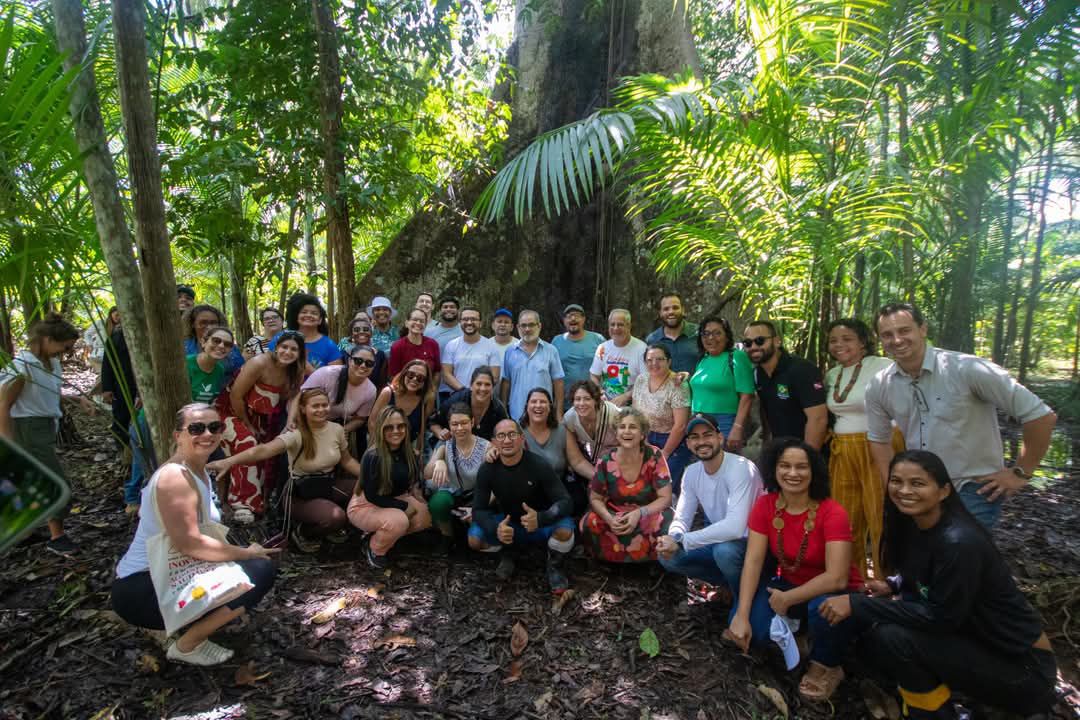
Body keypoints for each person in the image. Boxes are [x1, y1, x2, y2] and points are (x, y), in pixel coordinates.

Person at [821, 451, 1057, 719]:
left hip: (1025, 670)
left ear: (944, 491)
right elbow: (925, 574)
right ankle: (936, 701)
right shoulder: (915, 525)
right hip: (982, 647)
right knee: (874, 643)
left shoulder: (959, 542)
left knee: (893, 638)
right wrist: (893, 585)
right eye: (896, 481)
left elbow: (942, 617)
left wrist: (857, 604)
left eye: (917, 483)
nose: (904, 491)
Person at [112, 403, 278, 666]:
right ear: (178, 435)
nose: (207, 434)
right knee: (258, 570)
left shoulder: (197, 469)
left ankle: (190, 622)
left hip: (173, 572)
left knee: (250, 566)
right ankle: (187, 645)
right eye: (196, 428)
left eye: (214, 427)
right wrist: (246, 553)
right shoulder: (175, 477)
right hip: (142, 587)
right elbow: (190, 544)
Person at [866, 302, 1056, 530]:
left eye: (904, 330)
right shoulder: (880, 384)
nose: (897, 340)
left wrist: (1020, 473)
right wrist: (894, 485)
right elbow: (878, 438)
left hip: (973, 488)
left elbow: (1041, 416)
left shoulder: (968, 369)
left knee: (964, 551)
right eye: (887, 334)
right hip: (919, 490)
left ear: (923, 329)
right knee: (926, 551)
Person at [726, 438, 862, 703]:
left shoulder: (832, 512)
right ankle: (804, 635)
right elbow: (753, 561)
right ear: (774, 469)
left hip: (834, 593)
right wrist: (741, 615)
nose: (792, 473)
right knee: (755, 631)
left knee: (822, 609)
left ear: (814, 471)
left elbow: (837, 578)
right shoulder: (766, 505)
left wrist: (788, 599)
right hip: (789, 585)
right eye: (785, 465)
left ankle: (827, 665)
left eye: (801, 467)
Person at [209, 388, 362, 552]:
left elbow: (347, 460)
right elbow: (263, 450)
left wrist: (372, 477)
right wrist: (229, 461)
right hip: (300, 493)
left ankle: (333, 526)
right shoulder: (295, 434)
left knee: (366, 489)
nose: (321, 410)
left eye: (325, 405)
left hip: (327, 484)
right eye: (315, 406)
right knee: (336, 517)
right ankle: (304, 533)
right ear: (303, 409)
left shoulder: (336, 429)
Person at [0, 313, 89, 556]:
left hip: (45, 426)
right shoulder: (23, 367)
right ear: (48, 340)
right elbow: (4, 405)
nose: (66, 352)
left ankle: (24, 531)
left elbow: (48, 393)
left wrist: (77, 399)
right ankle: (57, 537)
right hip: (27, 428)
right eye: (64, 347)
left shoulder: (51, 363)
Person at [824, 318, 897, 576]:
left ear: (863, 342)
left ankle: (885, 578)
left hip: (877, 447)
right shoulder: (832, 375)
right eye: (833, 340)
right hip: (842, 451)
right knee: (845, 516)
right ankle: (851, 578)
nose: (839, 345)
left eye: (847, 339)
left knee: (879, 514)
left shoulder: (883, 366)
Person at [468, 419, 575, 593]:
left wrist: (541, 518)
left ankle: (555, 564)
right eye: (501, 436)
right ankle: (508, 553)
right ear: (494, 442)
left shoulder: (539, 464)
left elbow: (566, 502)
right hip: (509, 526)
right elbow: (478, 510)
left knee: (565, 530)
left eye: (512, 434)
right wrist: (496, 528)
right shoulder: (487, 469)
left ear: (522, 438)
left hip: (540, 524)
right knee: (474, 540)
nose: (507, 440)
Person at [658, 414, 763, 591]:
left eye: (707, 435)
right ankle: (728, 585)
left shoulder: (740, 468)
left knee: (725, 552)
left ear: (720, 438)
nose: (702, 442)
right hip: (720, 542)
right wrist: (673, 538)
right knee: (668, 557)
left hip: (751, 545)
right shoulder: (692, 472)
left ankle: (745, 593)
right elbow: (682, 518)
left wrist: (682, 541)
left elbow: (735, 528)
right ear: (688, 444)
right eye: (695, 437)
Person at [217, 329, 306, 523]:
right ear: (276, 347)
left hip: (261, 419)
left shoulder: (297, 371)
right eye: (284, 347)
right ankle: (242, 504)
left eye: (293, 349)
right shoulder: (258, 363)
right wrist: (247, 425)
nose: (288, 352)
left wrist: (290, 421)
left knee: (268, 450)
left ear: (300, 353)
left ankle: (261, 500)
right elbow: (235, 396)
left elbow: (294, 396)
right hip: (229, 413)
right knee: (247, 443)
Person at [580, 408, 674, 563]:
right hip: (615, 514)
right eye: (622, 427)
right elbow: (595, 498)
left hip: (647, 513)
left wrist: (639, 513)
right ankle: (608, 562)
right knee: (590, 521)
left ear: (642, 434)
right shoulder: (605, 460)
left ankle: (654, 562)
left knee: (668, 520)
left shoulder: (654, 455)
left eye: (633, 427)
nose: (627, 431)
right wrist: (609, 518)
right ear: (616, 434)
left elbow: (666, 498)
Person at [348, 406, 433, 568]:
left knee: (424, 516)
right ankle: (375, 549)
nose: (396, 431)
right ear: (381, 429)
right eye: (389, 427)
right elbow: (372, 496)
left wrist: (416, 494)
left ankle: (380, 535)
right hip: (365, 504)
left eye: (400, 426)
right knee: (399, 521)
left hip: (393, 498)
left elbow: (413, 483)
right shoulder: (373, 456)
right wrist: (404, 506)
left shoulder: (410, 453)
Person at [743, 320, 827, 449]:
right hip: (780, 448)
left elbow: (818, 419)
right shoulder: (758, 373)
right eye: (748, 343)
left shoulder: (802, 370)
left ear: (777, 341)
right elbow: (766, 412)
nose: (753, 347)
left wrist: (807, 456)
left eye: (760, 340)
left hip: (807, 449)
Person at [424, 402, 491, 554]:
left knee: (477, 539)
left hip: (476, 497)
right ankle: (447, 536)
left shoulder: (485, 446)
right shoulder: (445, 444)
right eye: (455, 424)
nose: (459, 428)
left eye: (464, 423)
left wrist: (478, 506)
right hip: (452, 492)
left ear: (472, 422)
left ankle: (471, 533)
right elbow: (427, 474)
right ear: (449, 425)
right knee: (438, 503)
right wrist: (439, 461)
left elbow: (493, 483)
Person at [520, 387, 593, 516]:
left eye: (543, 402)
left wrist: (601, 477)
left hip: (558, 490)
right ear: (527, 406)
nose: (538, 405)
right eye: (534, 402)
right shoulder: (517, 431)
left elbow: (578, 462)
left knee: (579, 500)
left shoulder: (562, 430)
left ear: (550, 407)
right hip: (528, 491)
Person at [689, 316, 755, 452]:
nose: (711, 338)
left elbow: (747, 396)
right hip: (698, 422)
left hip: (725, 423)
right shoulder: (703, 359)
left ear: (727, 336)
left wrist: (737, 428)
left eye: (717, 333)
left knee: (725, 462)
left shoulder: (737, 356)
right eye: (706, 333)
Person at [632, 344, 692, 492]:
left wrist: (664, 453)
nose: (654, 363)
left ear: (669, 361)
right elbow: (635, 414)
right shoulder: (641, 379)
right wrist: (643, 441)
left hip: (672, 441)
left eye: (660, 359)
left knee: (663, 484)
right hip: (645, 436)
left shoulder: (678, 384)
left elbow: (680, 425)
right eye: (649, 360)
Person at [501, 309, 565, 419]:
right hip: (517, 415)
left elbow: (558, 383)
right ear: (518, 327)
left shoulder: (551, 351)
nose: (527, 329)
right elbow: (506, 383)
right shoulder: (510, 352)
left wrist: (559, 414)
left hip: (544, 415)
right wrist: (503, 413)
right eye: (523, 325)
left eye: (531, 325)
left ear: (539, 326)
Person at [369, 359, 437, 456]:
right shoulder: (388, 393)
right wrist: (379, 446)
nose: (414, 379)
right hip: (382, 445)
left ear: (425, 383)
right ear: (404, 374)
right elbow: (372, 422)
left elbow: (422, 428)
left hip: (408, 448)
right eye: (410, 374)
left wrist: (417, 451)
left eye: (420, 378)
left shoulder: (426, 400)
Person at [429, 366, 508, 442]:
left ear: (492, 388)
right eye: (479, 384)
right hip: (453, 444)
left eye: (487, 384)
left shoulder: (498, 408)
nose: (483, 388)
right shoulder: (456, 400)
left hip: (486, 449)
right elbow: (433, 423)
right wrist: (441, 433)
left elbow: (506, 433)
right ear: (471, 385)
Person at [441, 307, 501, 404]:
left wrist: (478, 391)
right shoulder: (451, 345)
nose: (469, 322)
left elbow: (495, 376)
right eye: (465, 319)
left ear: (480, 323)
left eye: (473, 319)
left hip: (483, 399)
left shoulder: (491, 346)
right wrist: (465, 392)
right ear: (460, 322)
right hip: (458, 399)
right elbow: (446, 375)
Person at [269, 293, 342, 373]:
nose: (308, 315)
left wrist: (307, 367)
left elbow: (336, 376)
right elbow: (267, 365)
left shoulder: (329, 345)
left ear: (320, 320)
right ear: (297, 317)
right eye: (304, 312)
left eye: (314, 313)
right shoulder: (280, 337)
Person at [589, 309, 646, 406]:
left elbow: (646, 381)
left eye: (620, 325)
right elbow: (594, 375)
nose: (615, 328)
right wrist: (600, 392)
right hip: (606, 402)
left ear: (629, 326)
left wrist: (626, 396)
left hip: (632, 403)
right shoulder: (602, 348)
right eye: (612, 324)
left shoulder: (641, 348)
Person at [551, 303, 604, 406]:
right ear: (564, 321)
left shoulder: (598, 339)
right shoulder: (556, 341)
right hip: (565, 402)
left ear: (583, 319)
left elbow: (607, 367)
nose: (573, 318)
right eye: (569, 316)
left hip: (593, 401)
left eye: (576, 315)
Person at [563, 380, 619, 471]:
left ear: (595, 400)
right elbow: (576, 460)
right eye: (577, 399)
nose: (581, 403)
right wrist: (598, 478)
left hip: (619, 463)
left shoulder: (613, 413)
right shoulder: (569, 418)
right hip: (593, 464)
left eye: (587, 399)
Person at [645, 293, 699, 374]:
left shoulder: (699, 333)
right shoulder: (652, 340)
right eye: (666, 309)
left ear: (683, 310)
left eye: (675, 308)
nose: (671, 312)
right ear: (660, 313)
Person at [183, 305, 245, 375]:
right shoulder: (183, 348)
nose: (209, 327)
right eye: (203, 322)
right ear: (193, 324)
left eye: (213, 323)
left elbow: (241, 371)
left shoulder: (230, 347)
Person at [389, 308, 442, 387]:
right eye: (415, 319)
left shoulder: (432, 344)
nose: (418, 323)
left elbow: (437, 372)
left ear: (425, 325)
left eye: (422, 321)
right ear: (406, 323)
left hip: (427, 390)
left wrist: (432, 390)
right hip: (404, 390)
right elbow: (394, 375)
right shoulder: (397, 346)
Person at [336, 316, 388, 390]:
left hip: (373, 394)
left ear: (371, 333)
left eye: (366, 329)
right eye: (356, 330)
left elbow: (382, 382)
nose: (361, 332)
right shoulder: (343, 355)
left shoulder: (380, 355)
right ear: (351, 334)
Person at [188, 326, 234, 405]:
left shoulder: (220, 369)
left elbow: (212, 399)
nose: (221, 346)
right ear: (203, 342)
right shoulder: (186, 364)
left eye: (227, 344)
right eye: (216, 341)